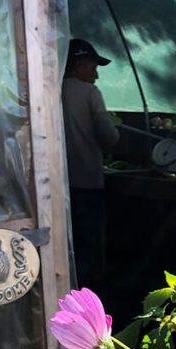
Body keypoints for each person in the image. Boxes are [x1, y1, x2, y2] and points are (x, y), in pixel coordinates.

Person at [62, 37, 119, 296]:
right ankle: (92, 302)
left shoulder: (51, 90)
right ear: (78, 65)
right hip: (87, 183)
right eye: (93, 67)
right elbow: (109, 136)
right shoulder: (90, 94)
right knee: (90, 250)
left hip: (60, 186)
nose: (96, 75)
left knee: (67, 247)